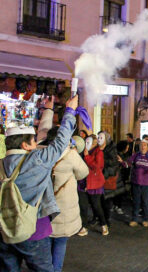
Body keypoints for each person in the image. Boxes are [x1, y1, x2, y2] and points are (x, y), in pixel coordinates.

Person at [0, 95, 78, 272]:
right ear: (25, 145)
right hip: (34, 231)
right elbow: (60, 143)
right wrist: (70, 111)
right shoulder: (36, 160)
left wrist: (49, 111)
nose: (37, 144)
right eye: (34, 141)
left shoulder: (1, 163)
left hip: (4, 231)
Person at [37, 103, 90, 271]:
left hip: (43, 208)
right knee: (60, 243)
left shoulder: (38, 151)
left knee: (44, 244)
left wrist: (48, 111)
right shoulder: (70, 154)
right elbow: (83, 172)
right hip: (63, 208)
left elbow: (41, 131)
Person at [118, 140, 148, 227]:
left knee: (145, 202)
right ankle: (134, 219)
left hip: (147, 184)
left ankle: (145, 219)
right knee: (136, 202)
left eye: (144, 145)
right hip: (136, 182)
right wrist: (121, 161)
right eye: (141, 145)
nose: (143, 147)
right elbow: (127, 164)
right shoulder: (136, 155)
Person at [80, 134, 109, 236]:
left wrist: (87, 157)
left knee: (96, 206)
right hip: (82, 182)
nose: (86, 144)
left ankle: (103, 224)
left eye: (88, 142)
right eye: (85, 142)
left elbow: (97, 166)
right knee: (83, 206)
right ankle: (84, 226)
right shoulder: (81, 151)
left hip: (94, 183)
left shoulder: (98, 152)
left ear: (93, 144)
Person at [97, 131, 119, 226]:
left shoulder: (111, 149)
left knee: (107, 200)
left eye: (101, 137)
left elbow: (113, 162)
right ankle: (99, 218)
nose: (98, 139)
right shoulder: (96, 148)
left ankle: (106, 218)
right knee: (98, 200)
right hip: (98, 177)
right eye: (98, 137)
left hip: (107, 177)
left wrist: (101, 159)